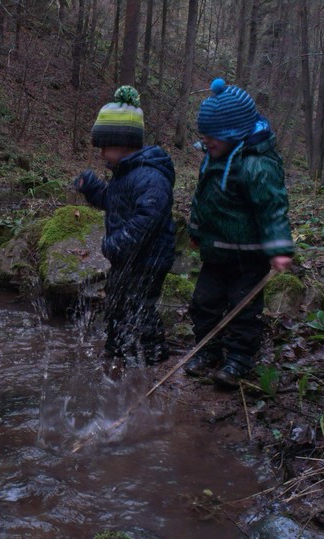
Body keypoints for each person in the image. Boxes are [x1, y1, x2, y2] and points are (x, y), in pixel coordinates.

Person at [184, 78, 294, 388]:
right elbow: (201, 200)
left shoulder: (257, 166)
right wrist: (196, 230)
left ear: (233, 134)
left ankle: (239, 359)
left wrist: (278, 248)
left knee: (243, 309)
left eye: (212, 139)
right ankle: (207, 349)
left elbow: (272, 208)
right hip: (216, 253)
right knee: (203, 302)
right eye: (204, 138)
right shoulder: (214, 158)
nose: (206, 144)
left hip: (249, 256)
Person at [73, 85, 176, 367]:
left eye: (105, 147)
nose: (102, 153)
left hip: (148, 259)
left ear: (122, 144)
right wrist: (94, 190)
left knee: (140, 307)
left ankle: (155, 357)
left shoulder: (150, 177)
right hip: (127, 257)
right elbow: (115, 203)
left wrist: (117, 243)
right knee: (117, 302)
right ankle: (116, 350)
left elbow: (147, 219)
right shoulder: (125, 174)